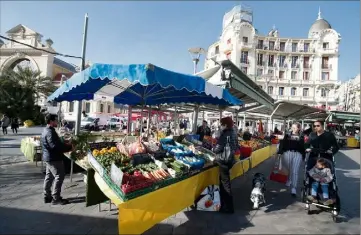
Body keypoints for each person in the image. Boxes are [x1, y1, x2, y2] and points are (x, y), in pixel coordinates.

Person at [41, 114, 73, 205]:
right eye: (55, 120)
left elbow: (54, 143)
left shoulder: (46, 130)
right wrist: (69, 147)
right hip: (54, 158)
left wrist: (64, 142)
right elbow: (55, 146)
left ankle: (47, 196)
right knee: (59, 176)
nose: (57, 122)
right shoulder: (50, 132)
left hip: (48, 157)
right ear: (51, 121)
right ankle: (56, 198)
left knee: (49, 176)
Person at [212, 117, 238, 213]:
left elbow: (217, 149)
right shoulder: (234, 133)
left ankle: (229, 208)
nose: (221, 126)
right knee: (224, 182)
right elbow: (236, 146)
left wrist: (214, 147)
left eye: (222, 124)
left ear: (225, 125)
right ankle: (223, 204)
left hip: (223, 161)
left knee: (225, 184)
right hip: (230, 160)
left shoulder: (225, 134)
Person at [278, 123, 305, 196]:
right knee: (289, 168)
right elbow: (282, 143)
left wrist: (303, 156)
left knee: (295, 171)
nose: (293, 129)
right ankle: (289, 179)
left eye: (295, 127)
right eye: (292, 127)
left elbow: (304, 146)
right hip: (288, 153)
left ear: (299, 128)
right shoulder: (287, 134)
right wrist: (280, 152)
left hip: (297, 154)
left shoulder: (302, 136)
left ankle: (294, 188)